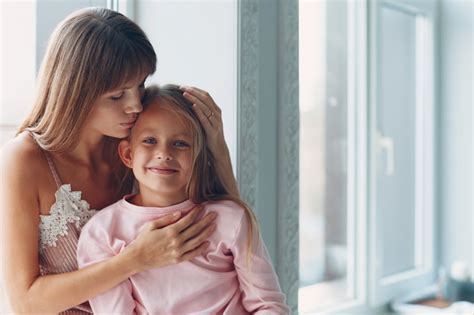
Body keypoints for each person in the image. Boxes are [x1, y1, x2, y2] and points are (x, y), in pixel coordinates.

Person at [0, 7, 237, 313]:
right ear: (75, 92)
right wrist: (134, 259)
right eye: (117, 96)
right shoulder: (24, 160)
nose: (136, 105)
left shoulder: (138, 145)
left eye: (140, 86)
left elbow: (230, 226)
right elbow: (24, 302)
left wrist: (217, 147)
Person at [77, 84, 289, 314]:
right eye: (149, 140)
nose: (164, 153)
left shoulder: (232, 220)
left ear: (198, 156)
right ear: (128, 154)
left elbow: (268, 305)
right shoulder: (102, 233)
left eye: (180, 143)